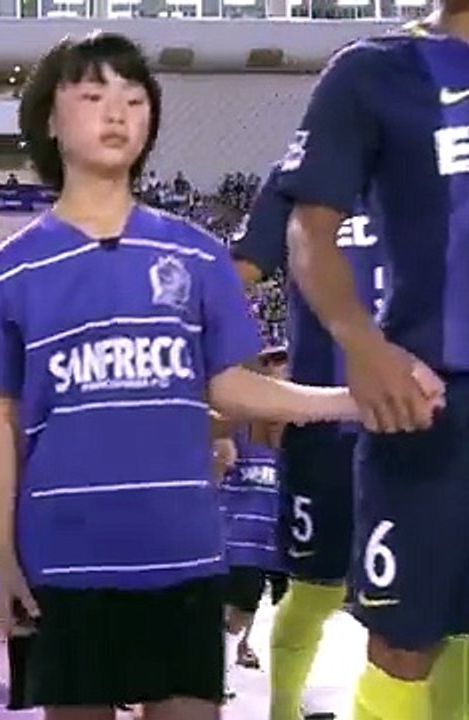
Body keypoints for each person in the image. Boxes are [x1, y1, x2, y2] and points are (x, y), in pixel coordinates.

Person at [0, 32, 373, 719]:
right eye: (92, 96)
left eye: (133, 97)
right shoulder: (10, 271)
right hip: (67, 558)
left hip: (182, 554)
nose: (116, 111)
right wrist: (1, 552)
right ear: (49, 123)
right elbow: (3, 420)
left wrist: (349, 400)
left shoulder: (198, 254)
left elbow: (230, 387)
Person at [272, 9, 467, 719]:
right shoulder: (374, 69)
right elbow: (309, 230)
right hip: (431, 402)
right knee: (406, 641)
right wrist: (363, 344)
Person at [230, 169, 383, 720]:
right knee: (315, 589)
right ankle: (283, 710)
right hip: (325, 424)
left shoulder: (440, 160)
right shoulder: (301, 177)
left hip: (426, 420)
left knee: (439, 605)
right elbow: (234, 274)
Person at [219, 347, 292, 690]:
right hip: (236, 538)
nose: (281, 372)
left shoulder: (299, 435)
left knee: (272, 607)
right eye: (274, 366)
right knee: (238, 604)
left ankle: (241, 659)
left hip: (276, 538)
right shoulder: (236, 426)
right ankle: (222, 673)